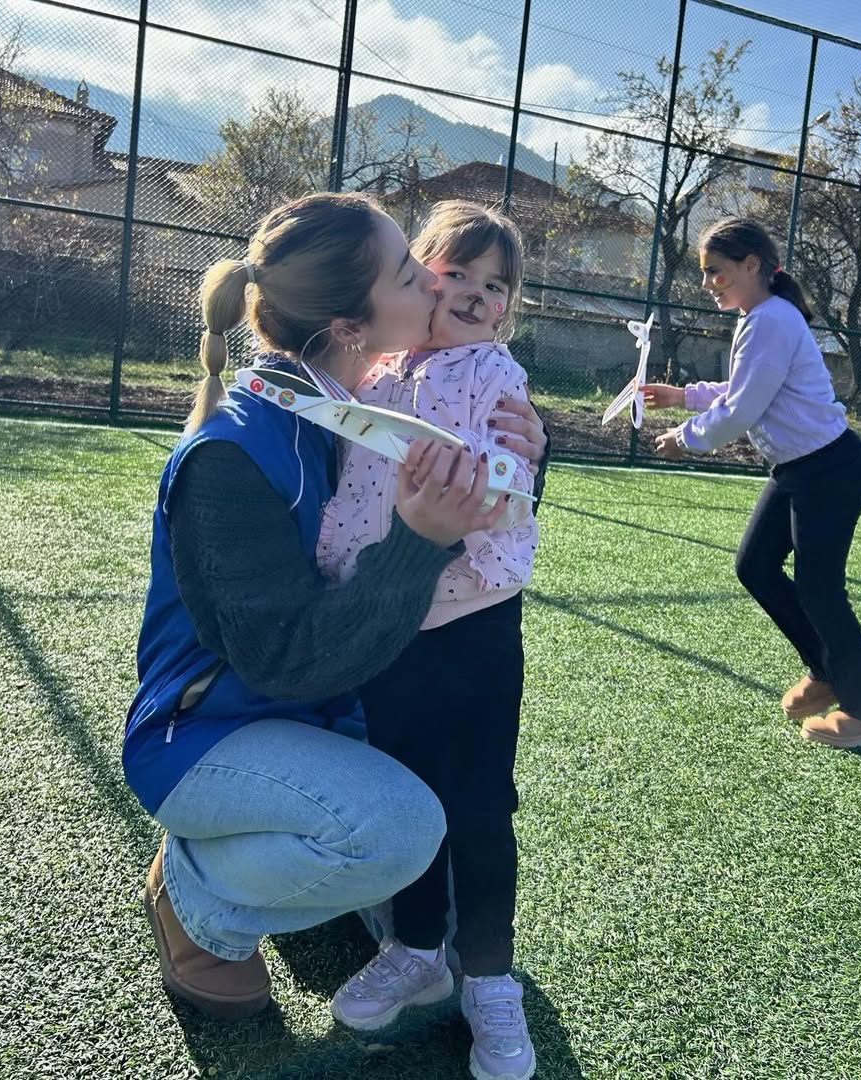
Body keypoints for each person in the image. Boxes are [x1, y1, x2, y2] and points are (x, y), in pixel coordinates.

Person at [121, 192, 548, 1023]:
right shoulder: (233, 453)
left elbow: (478, 496)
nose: (437, 283)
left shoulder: (366, 401)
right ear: (354, 324)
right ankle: (195, 891)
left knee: (442, 909)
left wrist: (527, 448)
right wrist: (420, 540)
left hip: (330, 711)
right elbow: (285, 661)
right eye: (411, 272)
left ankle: (288, 833)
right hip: (214, 731)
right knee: (400, 834)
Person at [318, 201, 539, 1080]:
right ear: (416, 275)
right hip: (389, 618)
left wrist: (483, 491)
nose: (479, 295)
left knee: (479, 803)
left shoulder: (494, 370)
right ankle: (415, 949)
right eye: (458, 273)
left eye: (497, 285)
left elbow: (512, 473)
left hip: (475, 613)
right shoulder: (374, 367)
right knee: (408, 792)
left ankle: (489, 977)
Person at [646, 216, 861, 749]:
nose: (708, 282)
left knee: (819, 588)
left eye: (716, 271)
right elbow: (746, 388)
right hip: (799, 469)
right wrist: (683, 396)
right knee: (755, 565)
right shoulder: (760, 317)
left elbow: (742, 410)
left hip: (828, 468)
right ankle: (827, 669)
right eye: (704, 272)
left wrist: (685, 438)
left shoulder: (772, 320)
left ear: (751, 265)